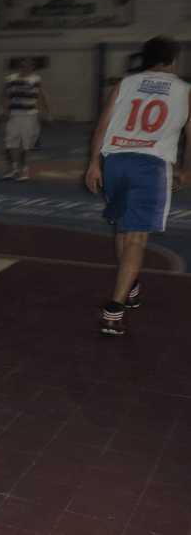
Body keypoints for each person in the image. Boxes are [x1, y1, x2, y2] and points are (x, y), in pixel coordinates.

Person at [85, 35, 191, 336]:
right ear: (173, 60)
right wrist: (187, 169)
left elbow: (102, 126)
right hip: (151, 166)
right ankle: (114, 311)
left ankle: (129, 287)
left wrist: (93, 163)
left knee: (123, 228)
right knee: (136, 239)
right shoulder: (184, 90)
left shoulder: (126, 83)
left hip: (115, 161)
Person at [1, 57, 51, 181]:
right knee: (9, 144)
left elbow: (42, 95)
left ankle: (24, 170)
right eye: (23, 65)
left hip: (29, 116)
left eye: (29, 66)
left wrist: (48, 112)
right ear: (20, 66)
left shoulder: (36, 79)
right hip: (14, 115)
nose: (26, 67)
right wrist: (4, 112)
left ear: (32, 67)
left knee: (25, 144)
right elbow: (5, 95)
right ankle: (12, 169)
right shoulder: (10, 79)